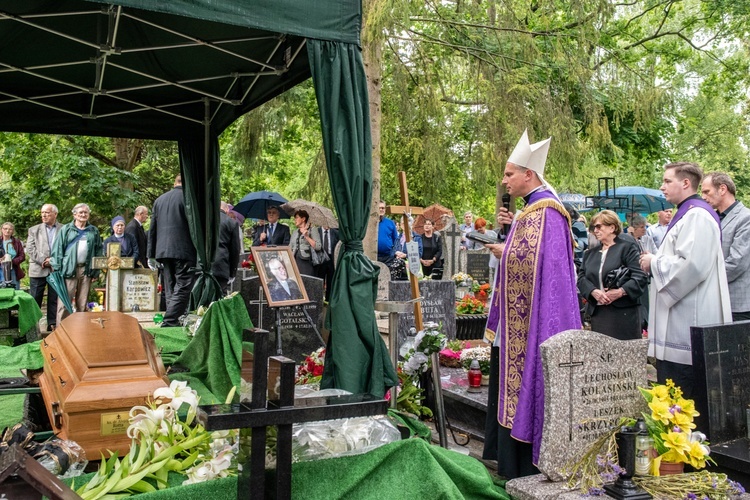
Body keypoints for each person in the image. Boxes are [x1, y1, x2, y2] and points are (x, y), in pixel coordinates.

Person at [482, 129, 581, 478]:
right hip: (519, 322)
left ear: (529, 174)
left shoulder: (547, 212)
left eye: (510, 174)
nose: (505, 180)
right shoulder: (531, 211)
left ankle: (525, 466)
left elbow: (544, 267)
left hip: (535, 323)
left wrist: (504, 252)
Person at [639, 162, 731, 398]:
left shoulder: (698, 215)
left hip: (689, 322)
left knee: (686, 395)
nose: (662, 186)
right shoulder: (687, 214)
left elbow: (692, 265)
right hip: (681, 319)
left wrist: (654, 262)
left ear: (686, 183)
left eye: (668, 181)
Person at [577, 210, 648, 340]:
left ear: (612, 227)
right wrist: (593, 291)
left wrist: (621, 291)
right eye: (593, 227)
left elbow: (640, 276)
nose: (595, 231)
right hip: (599, 313)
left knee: (624, 355)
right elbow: (581, 278)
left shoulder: (627, 248)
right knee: (602, 355)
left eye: (599, 226)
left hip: (623, 312)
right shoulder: (590, 254)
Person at [148, 174, 197, 327]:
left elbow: (152, 229)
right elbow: (195, 228)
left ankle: (175, 319)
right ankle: (170, 321)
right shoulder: (189, 199)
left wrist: (151, 254)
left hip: (163, 250)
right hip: (183, 249)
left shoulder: (159, 200)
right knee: (183, 285)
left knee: (170, 286)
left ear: (174, 182)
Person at [701, 171, 750, 321]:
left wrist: (703, 281)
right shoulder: (711, 218)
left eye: (706, 192)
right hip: (717, 302)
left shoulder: (745, 217)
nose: (703, 197)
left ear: (722, 189)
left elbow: (737, 263)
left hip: (739, 304)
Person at [50, 203, 103, 325]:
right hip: (68, 269)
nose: (83, 215)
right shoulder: (66, 230)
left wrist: (96, 270)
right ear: (74, 214)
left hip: (86, 269)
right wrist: (58, 269)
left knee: (83, 302)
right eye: (80, 213)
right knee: (64, 302)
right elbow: (57, 250)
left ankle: (81, 328)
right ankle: (62, 329)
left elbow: (98, 251)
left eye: (86, 212)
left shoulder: (93, 231)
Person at [27, 204, 63, 331]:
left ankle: (52, 324)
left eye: (47, 212)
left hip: (56, 269)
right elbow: (30, 249)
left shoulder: (64, 229)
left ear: (55, 214)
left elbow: (67, 249)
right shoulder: (33, 230)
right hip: (38, 269)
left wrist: (53, 261)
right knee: (35, 298)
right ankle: (32, 327)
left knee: (54, 299)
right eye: (42, 212)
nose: (44, 215)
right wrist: (44, 260)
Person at [211, 202, 241, 295]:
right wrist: (232, 273)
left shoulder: (203, 220)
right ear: (227, 209)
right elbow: (235, 250)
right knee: (219, 298)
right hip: (221, 266)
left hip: (202, 266)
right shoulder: (231, 222)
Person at [290, 209, 322, 276]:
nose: (295, 220)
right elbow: (290, 247)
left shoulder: (312, 230)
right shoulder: (295, 232)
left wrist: (307, 236)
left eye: (297, 217)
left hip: (306, 262)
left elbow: (318, 246)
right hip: (294, 261)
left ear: (303, 219)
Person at [316, 226, 339, 301]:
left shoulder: (335, 232)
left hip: (331, 259)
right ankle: (319, 299)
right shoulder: (316, 231)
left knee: (331, 280)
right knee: (320, 279)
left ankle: (328, 299)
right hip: (320, 259)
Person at [0, 222, 26, 289]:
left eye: (10, 229)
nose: (7, 231)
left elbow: (22, 256)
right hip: (0, 269)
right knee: (2, 290)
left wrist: (12, 261)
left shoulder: (17, 242)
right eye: (5, 229)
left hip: (13, 269)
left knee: (14, 289)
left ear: (13, 231)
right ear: (1, 230)